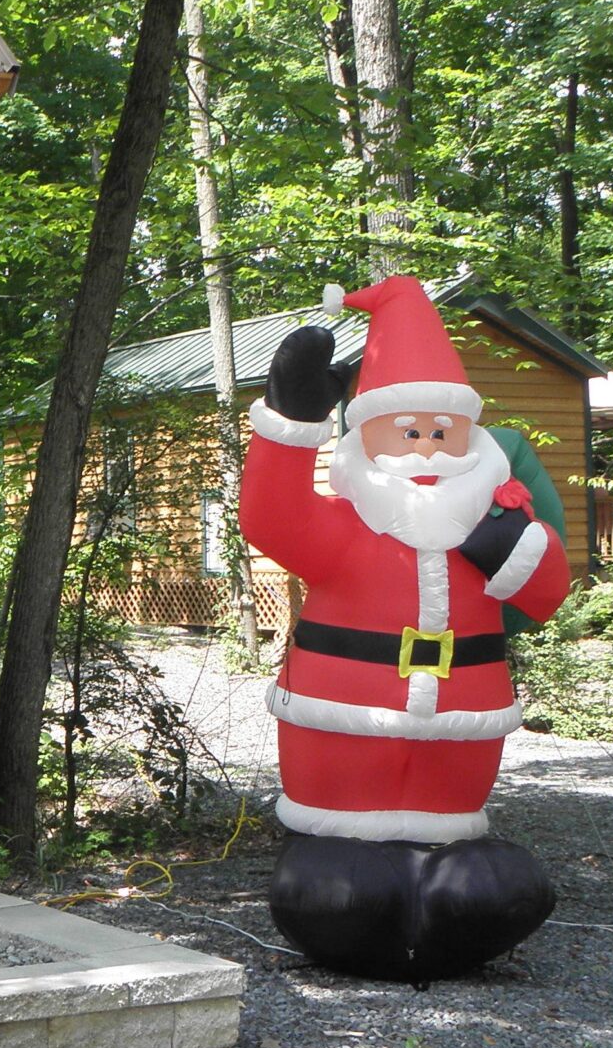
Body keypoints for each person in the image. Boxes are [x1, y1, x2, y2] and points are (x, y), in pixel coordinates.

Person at [239, 275, 571, 980]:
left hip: (461, 730)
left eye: (441, 432)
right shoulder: (343, 530)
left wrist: (518, 546)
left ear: (471, 437)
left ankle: (457, 890)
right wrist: (291, 424)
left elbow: (546, 596)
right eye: (407, 431)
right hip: (342, 723)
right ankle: (343, 891)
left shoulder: (494, 525)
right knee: (341, 882)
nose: (425, 448)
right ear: (365, 439)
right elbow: (271, 518)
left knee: (483, 884)